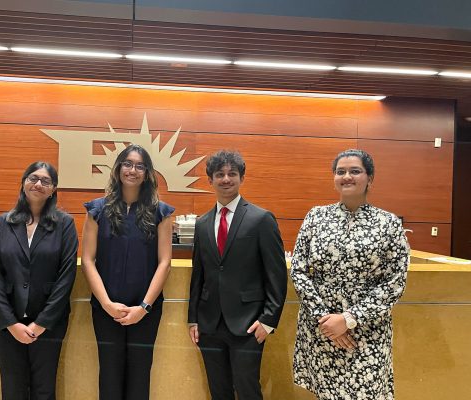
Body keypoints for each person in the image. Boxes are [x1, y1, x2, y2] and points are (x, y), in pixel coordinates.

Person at [290, 149, 409, 400]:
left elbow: (395, 281)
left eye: (355, 171)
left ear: (370, 178)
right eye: (340, 171)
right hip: (321, 328)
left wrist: (349, 318)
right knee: (327, 393)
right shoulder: (316, 217)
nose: (347, 176)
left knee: (365, 392)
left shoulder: (388, 223)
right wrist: (327, 319)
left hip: (367, 330)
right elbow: (299, 270)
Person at [188, 150, 288, 400]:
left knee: (247, 389)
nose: (226, 179)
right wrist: (193, 318)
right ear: (210, 180)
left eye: (232, 173)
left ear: (241, 178)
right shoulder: (202, 223)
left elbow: (276, 275)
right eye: (219, 174)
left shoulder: (261, 219)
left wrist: (269, 320)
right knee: (218, 390)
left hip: (249, 323)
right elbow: (198, 275)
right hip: (210, 323)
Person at [81, 144, 174, 400]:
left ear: (147, 173)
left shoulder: (162, 212)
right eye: (127, 164)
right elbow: (87, 260)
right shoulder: (96, 211)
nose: (132, 170)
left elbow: (165, 262)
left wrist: (143, 307)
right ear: (119, 168)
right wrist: (107, 303)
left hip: (145, 311)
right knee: (109, 376)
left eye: (139, 165)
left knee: (139, 377)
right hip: (106, 309)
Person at [0, 161, 78, 400]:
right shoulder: (2, 223)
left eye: (45, 181)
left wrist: (42, 323)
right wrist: (9, 322)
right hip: (9, 322)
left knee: (44, 389)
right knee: (12, 388)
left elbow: (66, 276)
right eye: (33, 178)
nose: (38, 184)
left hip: (49, 322)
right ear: (24, 182)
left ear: (53, 189)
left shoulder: (64, 224)